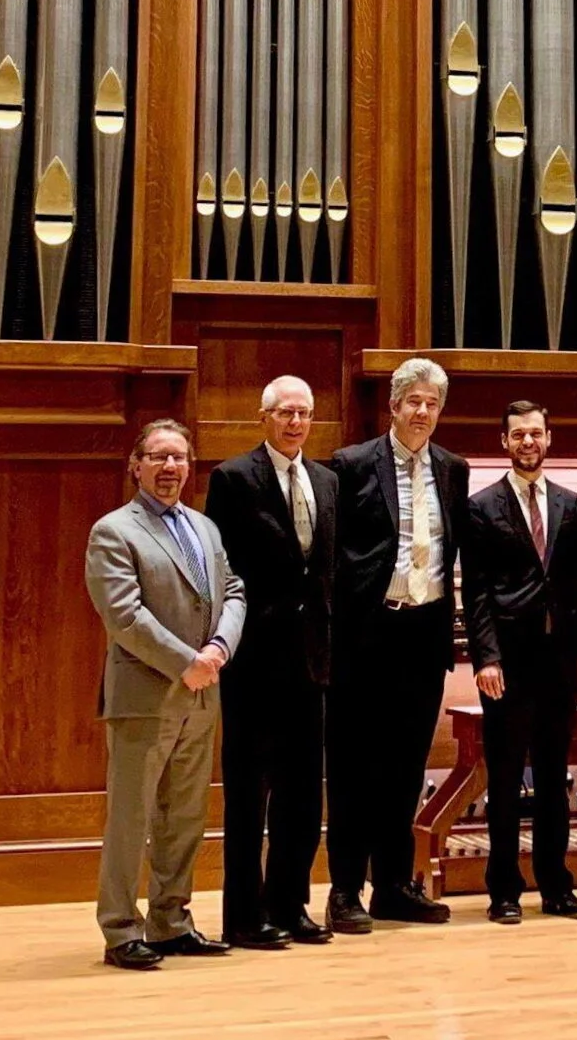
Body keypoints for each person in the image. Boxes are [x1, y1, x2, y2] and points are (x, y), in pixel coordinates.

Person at [86, 418, 246, 969]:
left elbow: (233, 590)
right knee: (131, 818)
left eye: (178, 457)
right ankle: (120, 929)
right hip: (146, 695)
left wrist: (221, 646)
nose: (170, 467)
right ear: (136, 466)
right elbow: (125, 616)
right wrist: (188, 663)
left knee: (185, 817)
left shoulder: (204, 528)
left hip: (203, 696)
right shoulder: (114, 530)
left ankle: (171, 920)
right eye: (158, 457)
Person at [325, 356, 470, 933]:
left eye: (432, 404)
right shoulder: (350, 464)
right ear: (393, 406)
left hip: (423, 632)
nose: (422, 412)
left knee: (407, 767)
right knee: (355, 766)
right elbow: (334, 555)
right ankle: (343, 890)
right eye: (414, 401)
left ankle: (393, 885)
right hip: (367, 636)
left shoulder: (453, 469)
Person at [204, 375, 338, 948]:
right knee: (249, 791)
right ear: (264, 417)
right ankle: (243, 914)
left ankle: (290, 904)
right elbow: (222, 570)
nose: (294, 423)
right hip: (255, 658)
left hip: (312, 660)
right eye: (284, 412)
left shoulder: (327, 481)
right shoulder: (233, 478)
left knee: (303, 791)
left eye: (303, 413)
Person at [459, 400, 577, 924]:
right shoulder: (481, 507)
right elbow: (474, 592)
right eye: (518, 434)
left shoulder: (570, 504)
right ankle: (503, 890)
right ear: (505, 442)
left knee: (553, 773)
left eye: (536, 434)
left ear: (549, 438)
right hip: (509, 662)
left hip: (559, 659)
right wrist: (486, 657)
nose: (528, 442)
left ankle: (556, 886)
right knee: (503, 776)